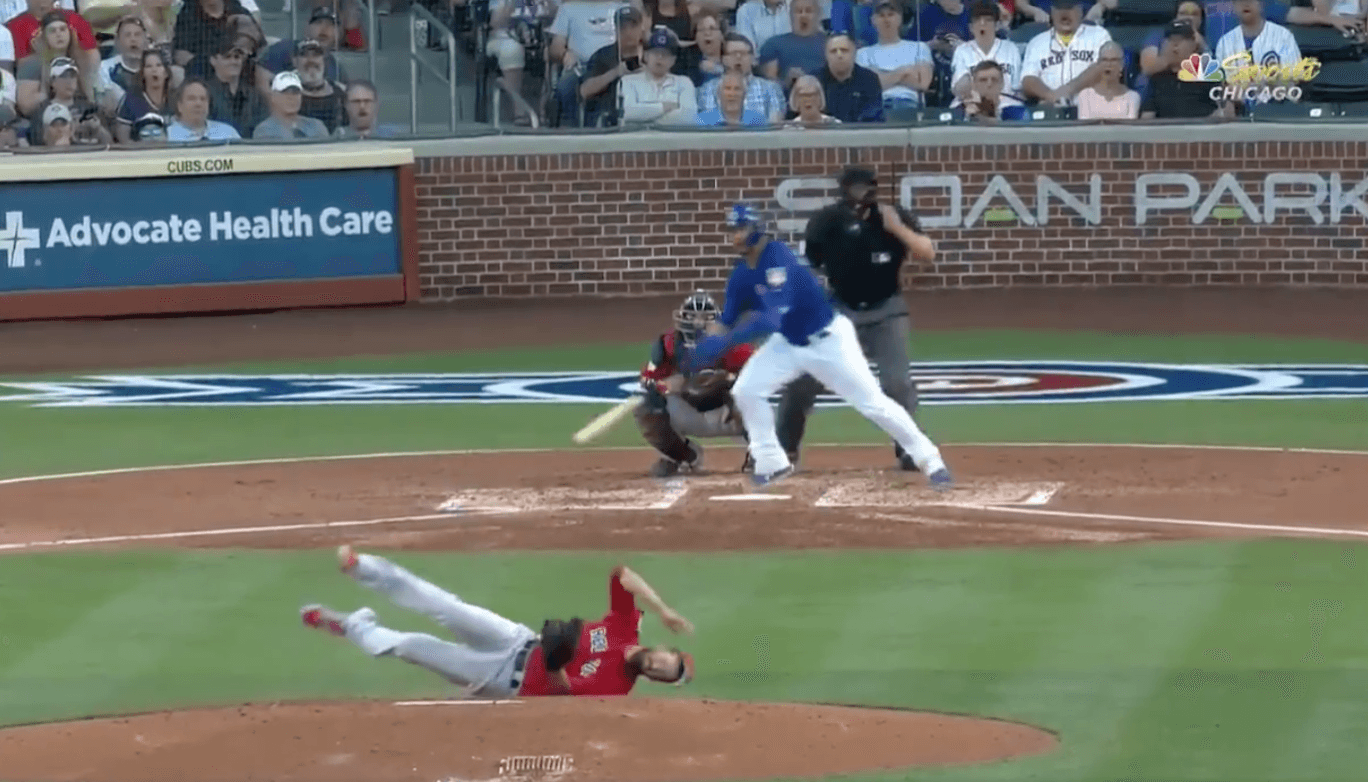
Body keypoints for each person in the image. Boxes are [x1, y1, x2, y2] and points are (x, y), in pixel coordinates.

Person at [680, 203, 953, 490]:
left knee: (873, 404)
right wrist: (700, 348)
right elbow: (726, 320)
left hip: (829, 342)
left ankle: (930, 459)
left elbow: (773, 317)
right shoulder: (740, 275)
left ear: (757, 228)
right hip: (789, 344)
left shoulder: (778, 258)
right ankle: (772, 461)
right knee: (746, 391)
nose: (736, 236)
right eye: (732, 230)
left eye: (741, 228)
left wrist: (725, 341)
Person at [302, 546, 696, 698]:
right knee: (448, 607)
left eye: (664, 675)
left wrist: (557, 665)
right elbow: (622, 573)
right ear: (666, 649)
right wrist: (663, 608)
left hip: (501, 678)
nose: (660, 667)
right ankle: (364, 569)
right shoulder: (626, 626)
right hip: (516, 640)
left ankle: (352, 626)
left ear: (654, 679)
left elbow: (567, 693)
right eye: (668, 662)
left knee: (412, 648)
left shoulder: (616, 688)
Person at [774, 167, 936, 473]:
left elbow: (927, 252)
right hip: (840, 310)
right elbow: (809, 264)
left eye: (870, 188)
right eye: (859, 188)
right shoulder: (827, 221)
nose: (866, 194)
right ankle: (784, 450)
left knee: (896, 384)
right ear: (846, 191)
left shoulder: (894, 216)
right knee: (803, 381)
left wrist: (897, 228)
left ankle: (909, 450)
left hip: (886, 310)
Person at [634, 290, 754, 477]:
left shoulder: (731, 343)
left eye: (705, 318)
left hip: (725, 414)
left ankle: (760, 453)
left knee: (748, 394)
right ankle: (684, 457)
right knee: (648, 406)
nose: (698, 323)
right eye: (693, 317)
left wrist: (723, 378)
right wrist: (660, 385)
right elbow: (647, 378)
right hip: (688, 412)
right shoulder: (669, 344)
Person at [620, 25, 697, 124]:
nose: (660, 57)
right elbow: (628, 113)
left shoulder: (684, 83)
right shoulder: (628, 81)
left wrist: (646, 118)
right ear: (646, 56)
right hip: (639, 138)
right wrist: (664, 107)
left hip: (673, 138)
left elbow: (688, 117)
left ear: (673, 60)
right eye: (655, 52)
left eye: (665, 54)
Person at [1075, 41, 1138, 119]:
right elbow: (1084, 129)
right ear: (1098, 64)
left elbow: (1130, 129)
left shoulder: (1132, 97)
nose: (1109, 64)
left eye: (1113, 60)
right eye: (1104, 60)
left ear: (1122, 64)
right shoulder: (1085, 96)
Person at [166, 76, 240, 140]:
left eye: (203, 99)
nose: (198, 104)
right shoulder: (167, 136)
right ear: (179, 106)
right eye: (192, 99)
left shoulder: (228, 133)